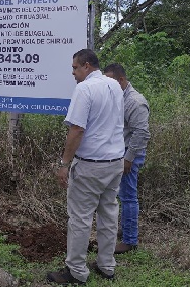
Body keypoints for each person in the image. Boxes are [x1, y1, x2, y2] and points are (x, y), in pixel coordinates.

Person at [47, 49, 125, 285]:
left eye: (75, 68)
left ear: (87, 66)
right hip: (115, 162)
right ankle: (106, 265)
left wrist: (64, 164)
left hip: (91, 165)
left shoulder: (84, 89)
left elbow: (77, 130)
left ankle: (77, 271)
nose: (73, 73)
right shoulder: (114, 86)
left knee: (80, 219)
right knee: (109, 216)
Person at [103, 63, 151, 254]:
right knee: (119, 194)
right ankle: (124, 230)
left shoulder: (135, 102)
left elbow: (142, 133)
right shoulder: (117, 97)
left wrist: (128, 159)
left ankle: (130, 240)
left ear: (121, 80)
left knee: (128, 197)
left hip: (129, 153)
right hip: (118, 152)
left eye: (110, 81)